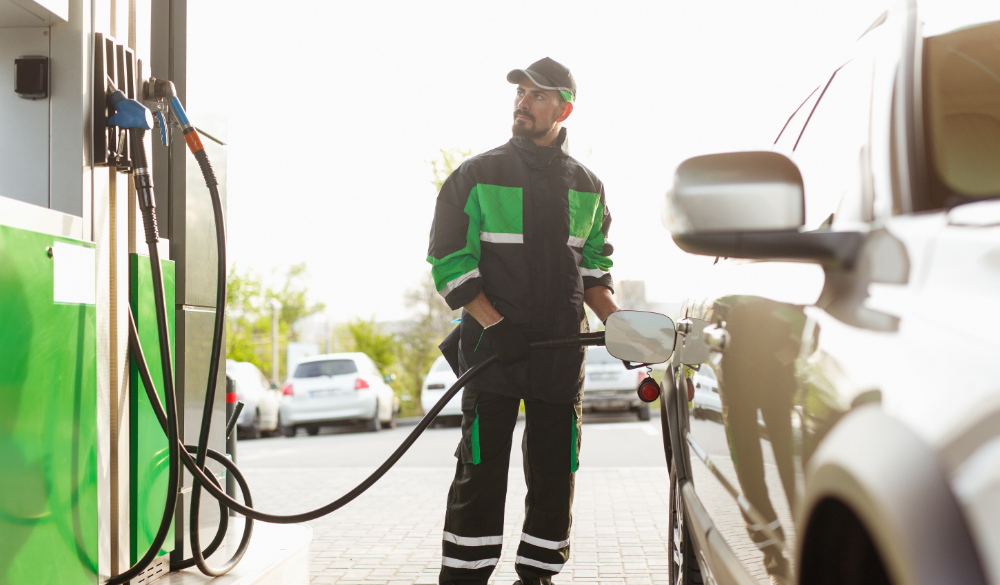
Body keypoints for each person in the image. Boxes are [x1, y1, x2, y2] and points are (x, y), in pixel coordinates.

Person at [426, 57, 620, 585]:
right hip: (494, 352)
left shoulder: (589, 186)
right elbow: (449, 260)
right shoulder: (476, 175)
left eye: (536, 96)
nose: (522, 103)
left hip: (560, 356)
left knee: (557, 471)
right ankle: (465, 576)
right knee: (481, 473)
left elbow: (595, 273)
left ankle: (538, 575)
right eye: (520, 94)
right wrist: (493, 324)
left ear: (564, 108)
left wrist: (622, 325)